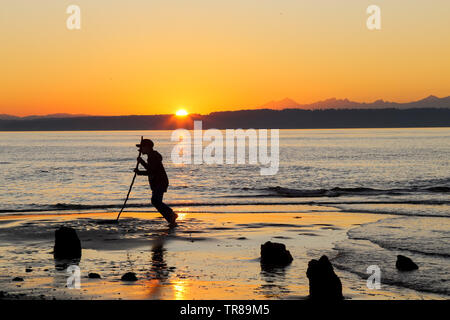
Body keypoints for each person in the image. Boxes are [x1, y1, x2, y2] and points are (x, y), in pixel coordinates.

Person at [134, 139, 178, 226]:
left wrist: (141, 166)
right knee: (156, 201)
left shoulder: (153, 157)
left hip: (160, 182)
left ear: (147, 147)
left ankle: (171, 215)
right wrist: (141, 166)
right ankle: (171, 218)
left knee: (155, 201)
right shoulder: (152, 156)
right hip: (158, 182)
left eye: (141, 147)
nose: (140, 150)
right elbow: (151, 170)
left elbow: (152, 171)